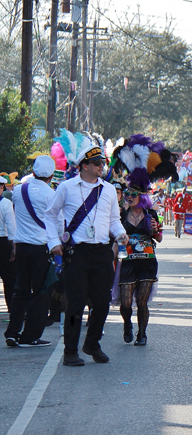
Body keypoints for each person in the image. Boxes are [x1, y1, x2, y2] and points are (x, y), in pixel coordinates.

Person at [46, 142, 128, 367]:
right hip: (77, 252)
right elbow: (50, 215)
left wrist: (120, 234)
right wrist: (54, 242)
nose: (101, 166)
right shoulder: (67, 187)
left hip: (102, 253)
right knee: (76, 303)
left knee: (102, 303)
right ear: (83, 166)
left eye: (102, 162)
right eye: (96, 163)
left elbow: (114, 220)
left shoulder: (109, 189)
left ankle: (92, 344)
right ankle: (70, 351)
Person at [4, 155, 55, 348]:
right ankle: (31, 335)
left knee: (20, 291)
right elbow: (56, 223)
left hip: (21, 247)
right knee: (41, 292)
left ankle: (12, 332)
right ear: (50, 175)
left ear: (33, 172)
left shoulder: (18, 190)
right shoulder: (51, 195)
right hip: (40, 249)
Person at [118, 176, 163, 346]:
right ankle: (127, 324)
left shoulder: (151, 214)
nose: (128, 196)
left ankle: (142, 334)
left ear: (142, 196)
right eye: (127, 193)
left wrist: (154, 229)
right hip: (127, 262)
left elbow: (159, 238)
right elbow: (113, 235)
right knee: (126, 303)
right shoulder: (121, 214)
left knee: (142, 302)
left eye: (133, 194)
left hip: (147, 262)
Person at [0, 175, 16, 314]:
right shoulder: (5, 203)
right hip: (3, 242)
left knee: (9, 278)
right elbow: (11, 226)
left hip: (4, 240)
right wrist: (14, 247)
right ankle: (13, 311)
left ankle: (13, 309)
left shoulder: (6, 203)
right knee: (9, 279)